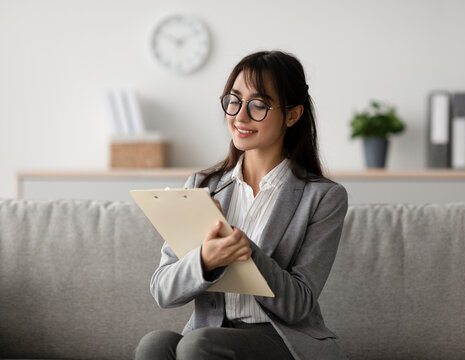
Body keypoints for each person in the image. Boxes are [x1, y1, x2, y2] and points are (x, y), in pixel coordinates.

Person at [134, 50, 348, 360]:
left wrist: (246, 252)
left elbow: (299, 305)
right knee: (155, 344)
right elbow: (163, 290)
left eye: (258, 105)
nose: (240, 116)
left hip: (281, 340)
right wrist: (205, 260)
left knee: (199, 345)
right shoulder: (202, 186)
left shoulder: (322, 197)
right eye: (233, 101)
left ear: (292, 115)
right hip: (209, 331)